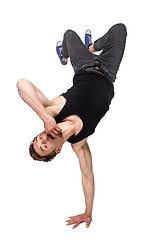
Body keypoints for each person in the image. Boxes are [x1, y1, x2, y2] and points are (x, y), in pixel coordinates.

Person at [16, 23, 127, 229]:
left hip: (84, 66)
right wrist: (88, 212)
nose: (42, 139)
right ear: (57, 151)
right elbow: (87, 176)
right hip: (108, 72)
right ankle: (89, 48)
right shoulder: (79, 143)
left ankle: (69, 55)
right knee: (120, 30)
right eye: (43, 147)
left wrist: (44, 116)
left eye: (38, 138)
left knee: (69, 34)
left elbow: (21, 84)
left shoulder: (52, 112)